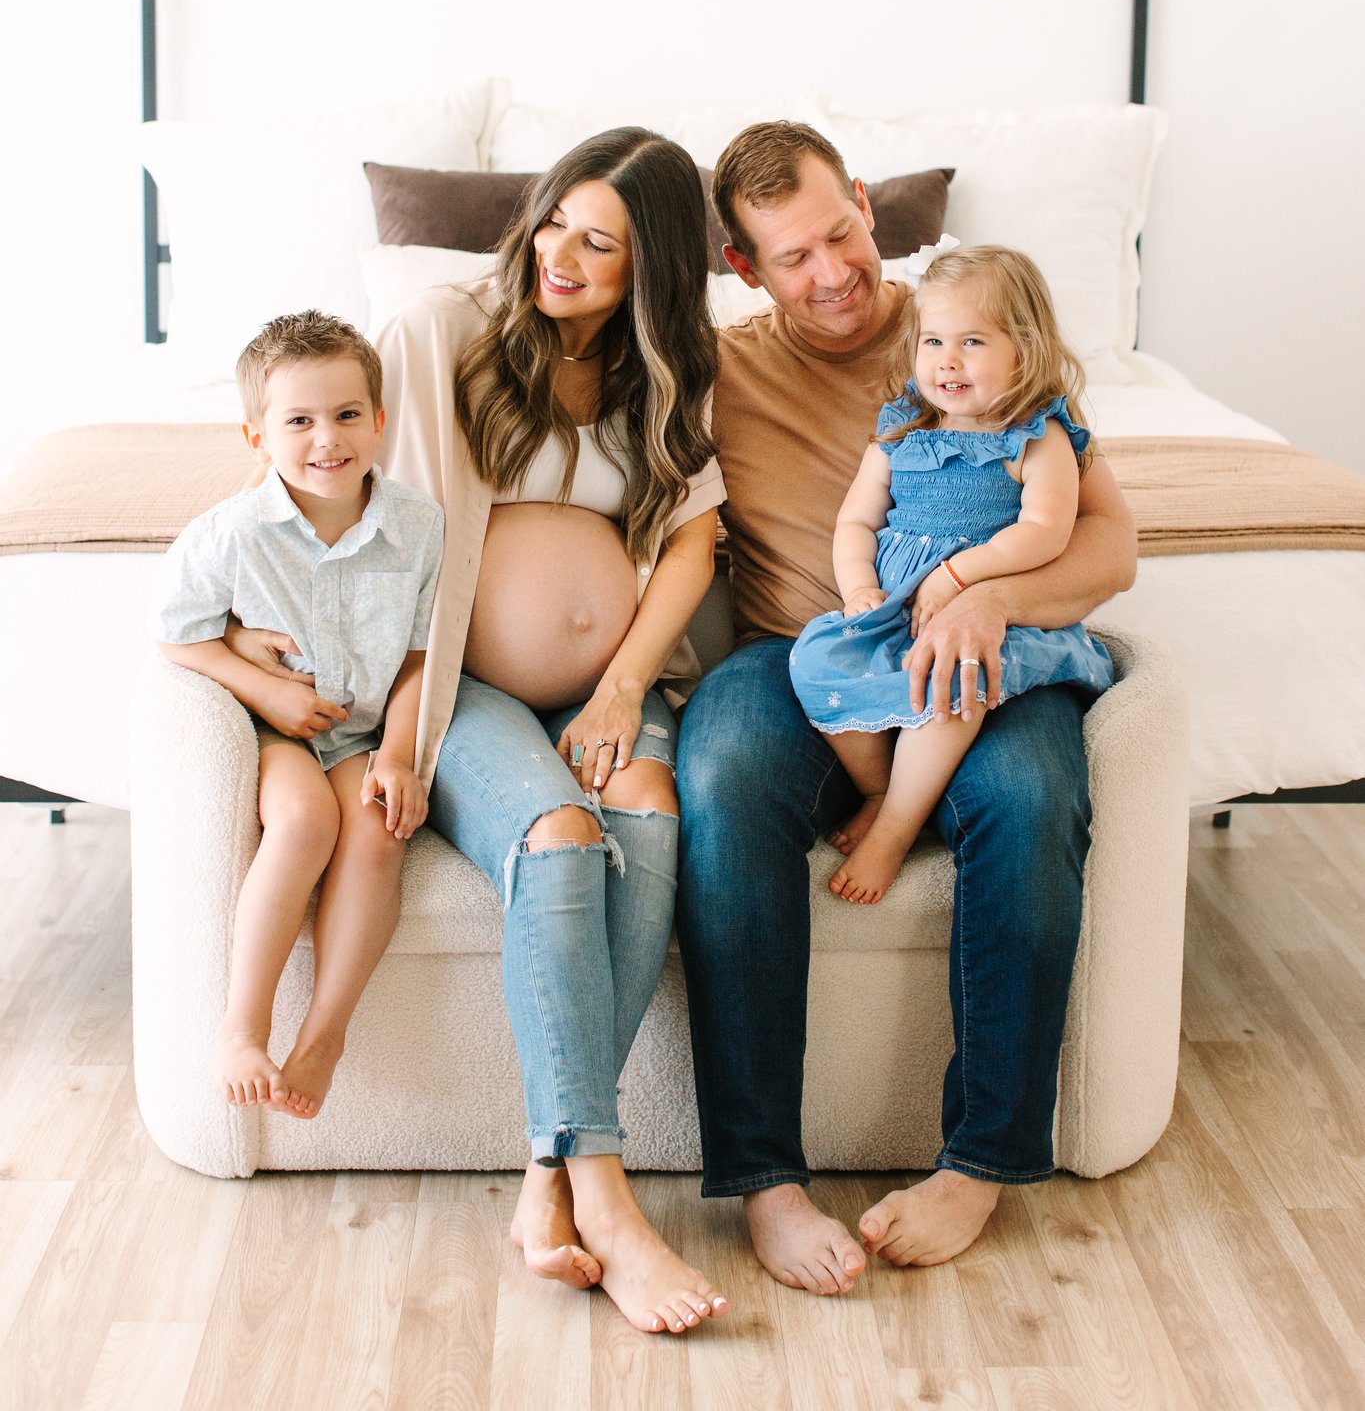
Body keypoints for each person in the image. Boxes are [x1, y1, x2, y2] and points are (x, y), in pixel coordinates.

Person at [675, 122, 1137, 1292]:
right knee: (722, 772)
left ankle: (982, 1158)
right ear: (745, 269)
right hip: (806, 660)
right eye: (791, 257)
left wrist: (993, 599)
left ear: (869, 204)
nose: (830, 272)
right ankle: (766, 1180)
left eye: (840, 232)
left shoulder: (981, 331)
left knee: (1032, 791)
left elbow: (1112, 546)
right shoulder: (721, 370)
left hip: (983, 653)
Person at [373, 126, 730, 1338]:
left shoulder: (665, 369)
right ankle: (611, 1201)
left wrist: (627, 683)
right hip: (463, 682)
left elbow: (691, 537)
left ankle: (548, 1176)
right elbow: (389, 525)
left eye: (604, 243)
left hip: (610, 689)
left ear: (656, 271)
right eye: (556, 222)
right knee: (568, 838)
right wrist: (396, 715)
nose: (561, 258)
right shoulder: (444, 332)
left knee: (649, 820)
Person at [156, 311, 443, 1118]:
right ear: (257, 436)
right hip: (276, 730)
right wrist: (269, 690)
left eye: (348, 415)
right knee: (306, 820)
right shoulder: (230, 535)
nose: (328, 439)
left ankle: (324, 1033)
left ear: (380, 421)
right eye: (300, 421)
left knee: (379, 827)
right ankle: (241, 1029)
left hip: (361, 727)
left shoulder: (420, 527)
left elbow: (423, 655)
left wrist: (397, 754)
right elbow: (178, 636)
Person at [790, 244, 1115, 905]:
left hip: (981, 619)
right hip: (893, 610)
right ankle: (883, 788)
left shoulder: (1035, 437)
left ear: (1022, 351)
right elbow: (855, 521)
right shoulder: (901, 430)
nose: (947, 360)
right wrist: (858, 589)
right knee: (812, 659)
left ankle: (896, 828)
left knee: (952, 679)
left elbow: (1046, 530)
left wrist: (961, 576)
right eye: (933, 340)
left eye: (972, 341)